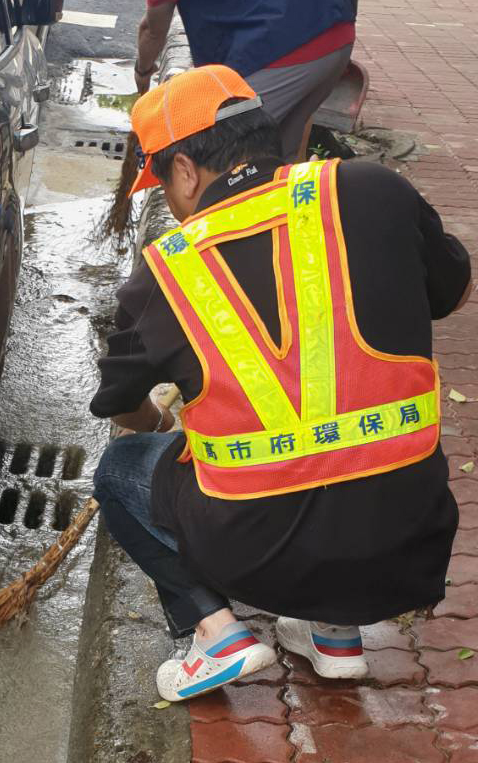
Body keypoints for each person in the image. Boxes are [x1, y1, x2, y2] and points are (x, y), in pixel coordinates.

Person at [90, 65, 473, 702]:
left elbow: (123, 410)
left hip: (255, 558)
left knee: (120, 467)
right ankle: (334, 632)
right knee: (346, 461)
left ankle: (219, 635)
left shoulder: (166, 273)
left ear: (185, 170)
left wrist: (170, 425)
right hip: (408, 542)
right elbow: (456, 292)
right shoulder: (376, 189)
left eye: (162, 180)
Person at [134, 0, 358, 161]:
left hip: (278, 49)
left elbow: (152, 30)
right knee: (278, 153)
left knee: (217, 154)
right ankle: (276, 221)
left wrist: (142, 72)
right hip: (336, 37)